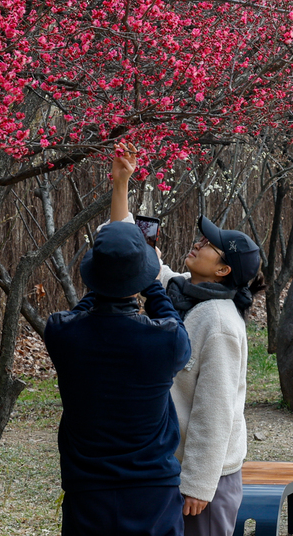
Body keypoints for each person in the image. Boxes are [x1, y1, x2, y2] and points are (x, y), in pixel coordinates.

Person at [110, 149, 262, 536]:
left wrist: (198, 484)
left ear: (224, 269)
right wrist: (122, 183)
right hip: (169, 464)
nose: (198, 243)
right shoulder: (181, 291)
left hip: (205, 479)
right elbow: (129, 251)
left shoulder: (219, 323)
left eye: (209, 244)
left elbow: (216, 410)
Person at [44, 221, 192, 536]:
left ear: (93, 275)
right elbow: (172, 321)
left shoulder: (60, 334)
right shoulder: (166, 343)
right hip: (153, 490)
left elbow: (79, 313)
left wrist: (105, 280)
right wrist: (153, 283)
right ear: (141, 277)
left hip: (87, 490)